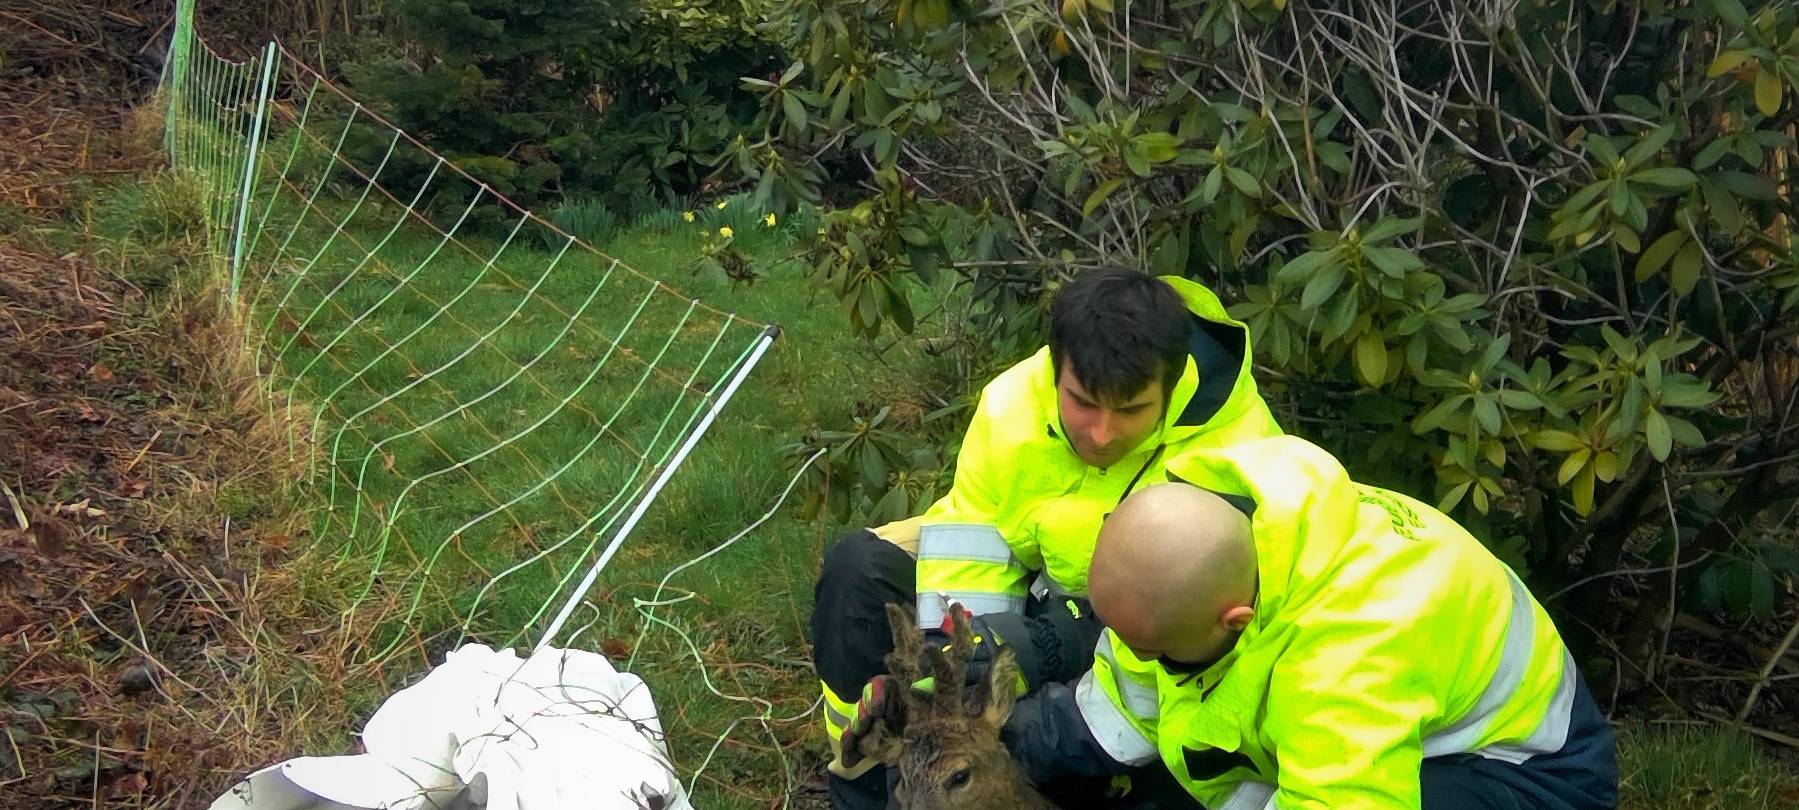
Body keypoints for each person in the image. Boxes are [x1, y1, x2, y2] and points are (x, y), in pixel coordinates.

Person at [811, 268, 1282, 809]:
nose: (1101, 434)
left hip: (1150, 639)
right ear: (1056, 369)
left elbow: (1195, 636)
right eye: (1082, 402)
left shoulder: (1239, 453)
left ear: (1171, 386)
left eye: (1130, 411)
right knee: (859, 572)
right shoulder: (1011, 405)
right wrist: (960, 666)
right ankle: (878, 784)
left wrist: (1034, 697)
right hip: (1040, 599)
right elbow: (972, 544)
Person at [1000, 435, 1619, 809]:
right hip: (1396, 738)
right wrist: (1018, 740)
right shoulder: (1226, 519)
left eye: (1154, 649)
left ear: (1235, 620)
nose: (1136, 655)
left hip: (1530, 780)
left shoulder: (1348, 663)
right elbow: (1138, 680)